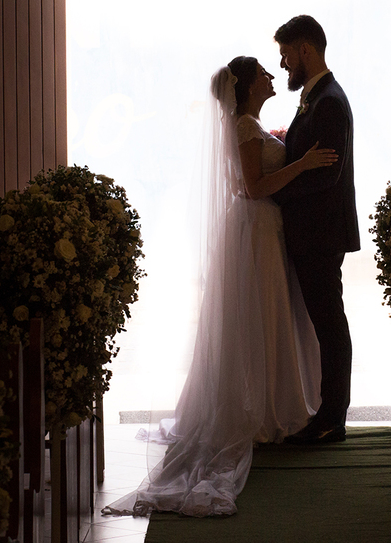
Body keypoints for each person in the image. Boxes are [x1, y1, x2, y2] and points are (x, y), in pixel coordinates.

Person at [105, 55, 336, 517]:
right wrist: (304, 162)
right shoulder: (247, 128)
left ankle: (269, 398)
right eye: (264, 74)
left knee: (265, 313)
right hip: (256, 225)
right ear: (248, 86)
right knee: (259, 313)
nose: (272, 77)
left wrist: (283, 143)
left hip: (259, 228)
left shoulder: (251, 125)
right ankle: (262, 407)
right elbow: (253, 186)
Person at [273, 15, 358, 445]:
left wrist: (277, 193)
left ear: (305, 50)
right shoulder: (317, 97)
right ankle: (328, 412)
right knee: (325, 323)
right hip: (313, 232)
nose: (284, 64)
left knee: (329, 324)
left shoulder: (329, 101)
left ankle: (332, 418)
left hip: (320, 233)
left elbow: (327, 174)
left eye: (287, 54)